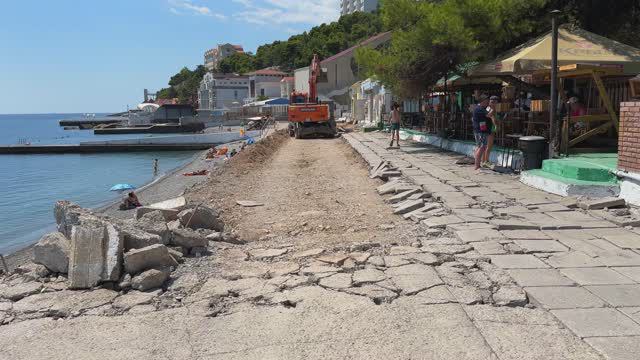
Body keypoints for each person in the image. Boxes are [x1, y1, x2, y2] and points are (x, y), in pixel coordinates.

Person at [472, 94, 492, 171]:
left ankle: (477, 165)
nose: (488, 103)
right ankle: (477, 166)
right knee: (482, 147)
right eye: (487, 101)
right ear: (483, 101)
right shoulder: (479, 109)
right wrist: (493, 108)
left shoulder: (481, 108)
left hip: (480, 130)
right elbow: (489, 115)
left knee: (479, 147)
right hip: (481, 131)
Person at [482, 96, 500, 168]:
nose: (494, 104)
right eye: (493, 102)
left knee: (487, 146)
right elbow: (491, 117)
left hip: (490, 128)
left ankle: (484, 161)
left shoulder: (491, 108)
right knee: (488, 146)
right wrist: (496, 125)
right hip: (489, 129)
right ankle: (486, 161)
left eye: (495, 102)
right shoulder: (489, 108)